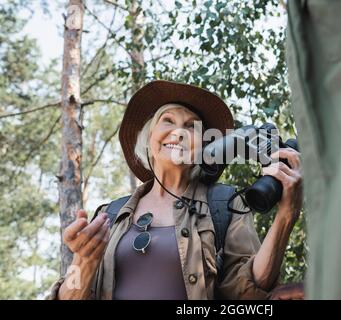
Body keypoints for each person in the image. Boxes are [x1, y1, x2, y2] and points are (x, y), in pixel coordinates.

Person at [47, 80, 302, 300]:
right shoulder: (109, 215)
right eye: (167, 120)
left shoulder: (225, 204)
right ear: (148, 138)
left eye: (192, 126)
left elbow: (247, 294)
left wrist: (286, 215)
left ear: (205, 146)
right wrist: (84, 260)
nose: (179, 132)